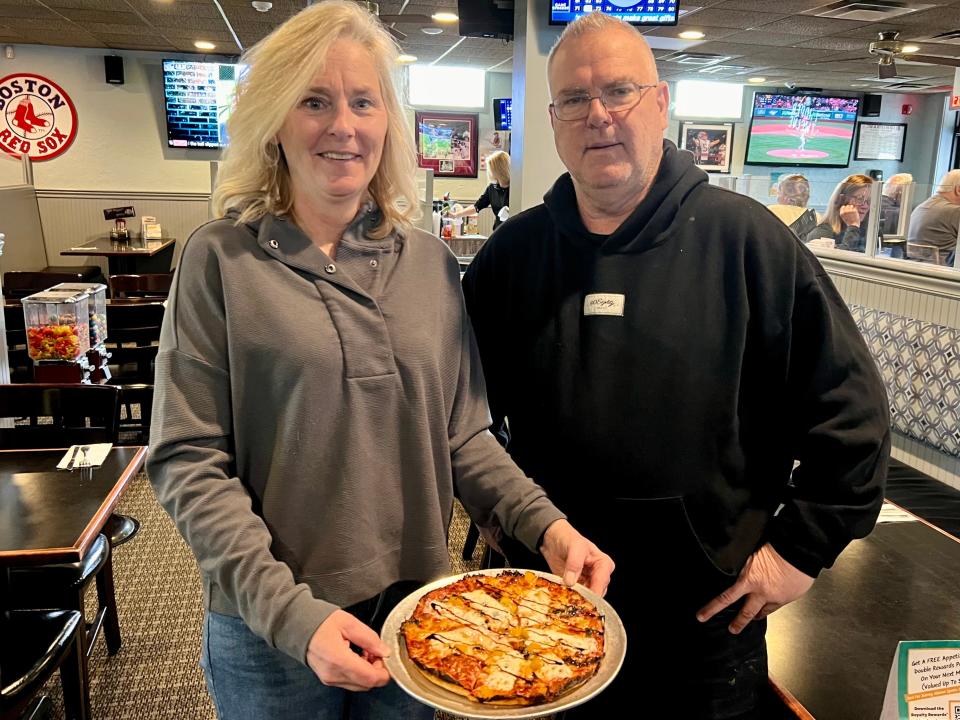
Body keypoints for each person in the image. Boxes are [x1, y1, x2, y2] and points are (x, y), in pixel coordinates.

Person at [146, 4, 614, 719]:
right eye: (314, 101)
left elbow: (462, 434)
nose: (344, 125)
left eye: (363, 101)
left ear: (388, 121)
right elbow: (187, 457)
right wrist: (293, 616)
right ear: (274, 118)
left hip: (420, 615)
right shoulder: (220, 259)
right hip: (269, 630)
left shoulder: (428, 263)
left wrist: (544, 523)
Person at [461, 12, 889, 720]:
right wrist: (505, 516)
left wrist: (798, 554)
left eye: (619, 91)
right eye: (575, 99)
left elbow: (855, 420)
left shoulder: (750, 244)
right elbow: (459, 418)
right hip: (545, 610)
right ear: (553, 120)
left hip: (709, 627)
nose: (598, 116)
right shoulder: (513, 258)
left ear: (660, 105)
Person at [807, 174, 874, 252]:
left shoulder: (868, 231)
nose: (865, 206)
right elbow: (845, 260)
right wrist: (853, 226)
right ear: (841, 200)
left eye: (869, 200)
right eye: (859, 199)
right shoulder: (822, 233)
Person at [907, 169, 960, 265]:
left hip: (916, 272)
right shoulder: (955, 211)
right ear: (958, 190)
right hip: (945, 275)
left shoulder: (920, 207)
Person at [448, 150, 511, 230]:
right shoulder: (492, 188)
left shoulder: (516, 188)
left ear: (498, 169)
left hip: (513, 230)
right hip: (499, 230)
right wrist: (456, 215)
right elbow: (476, 207)